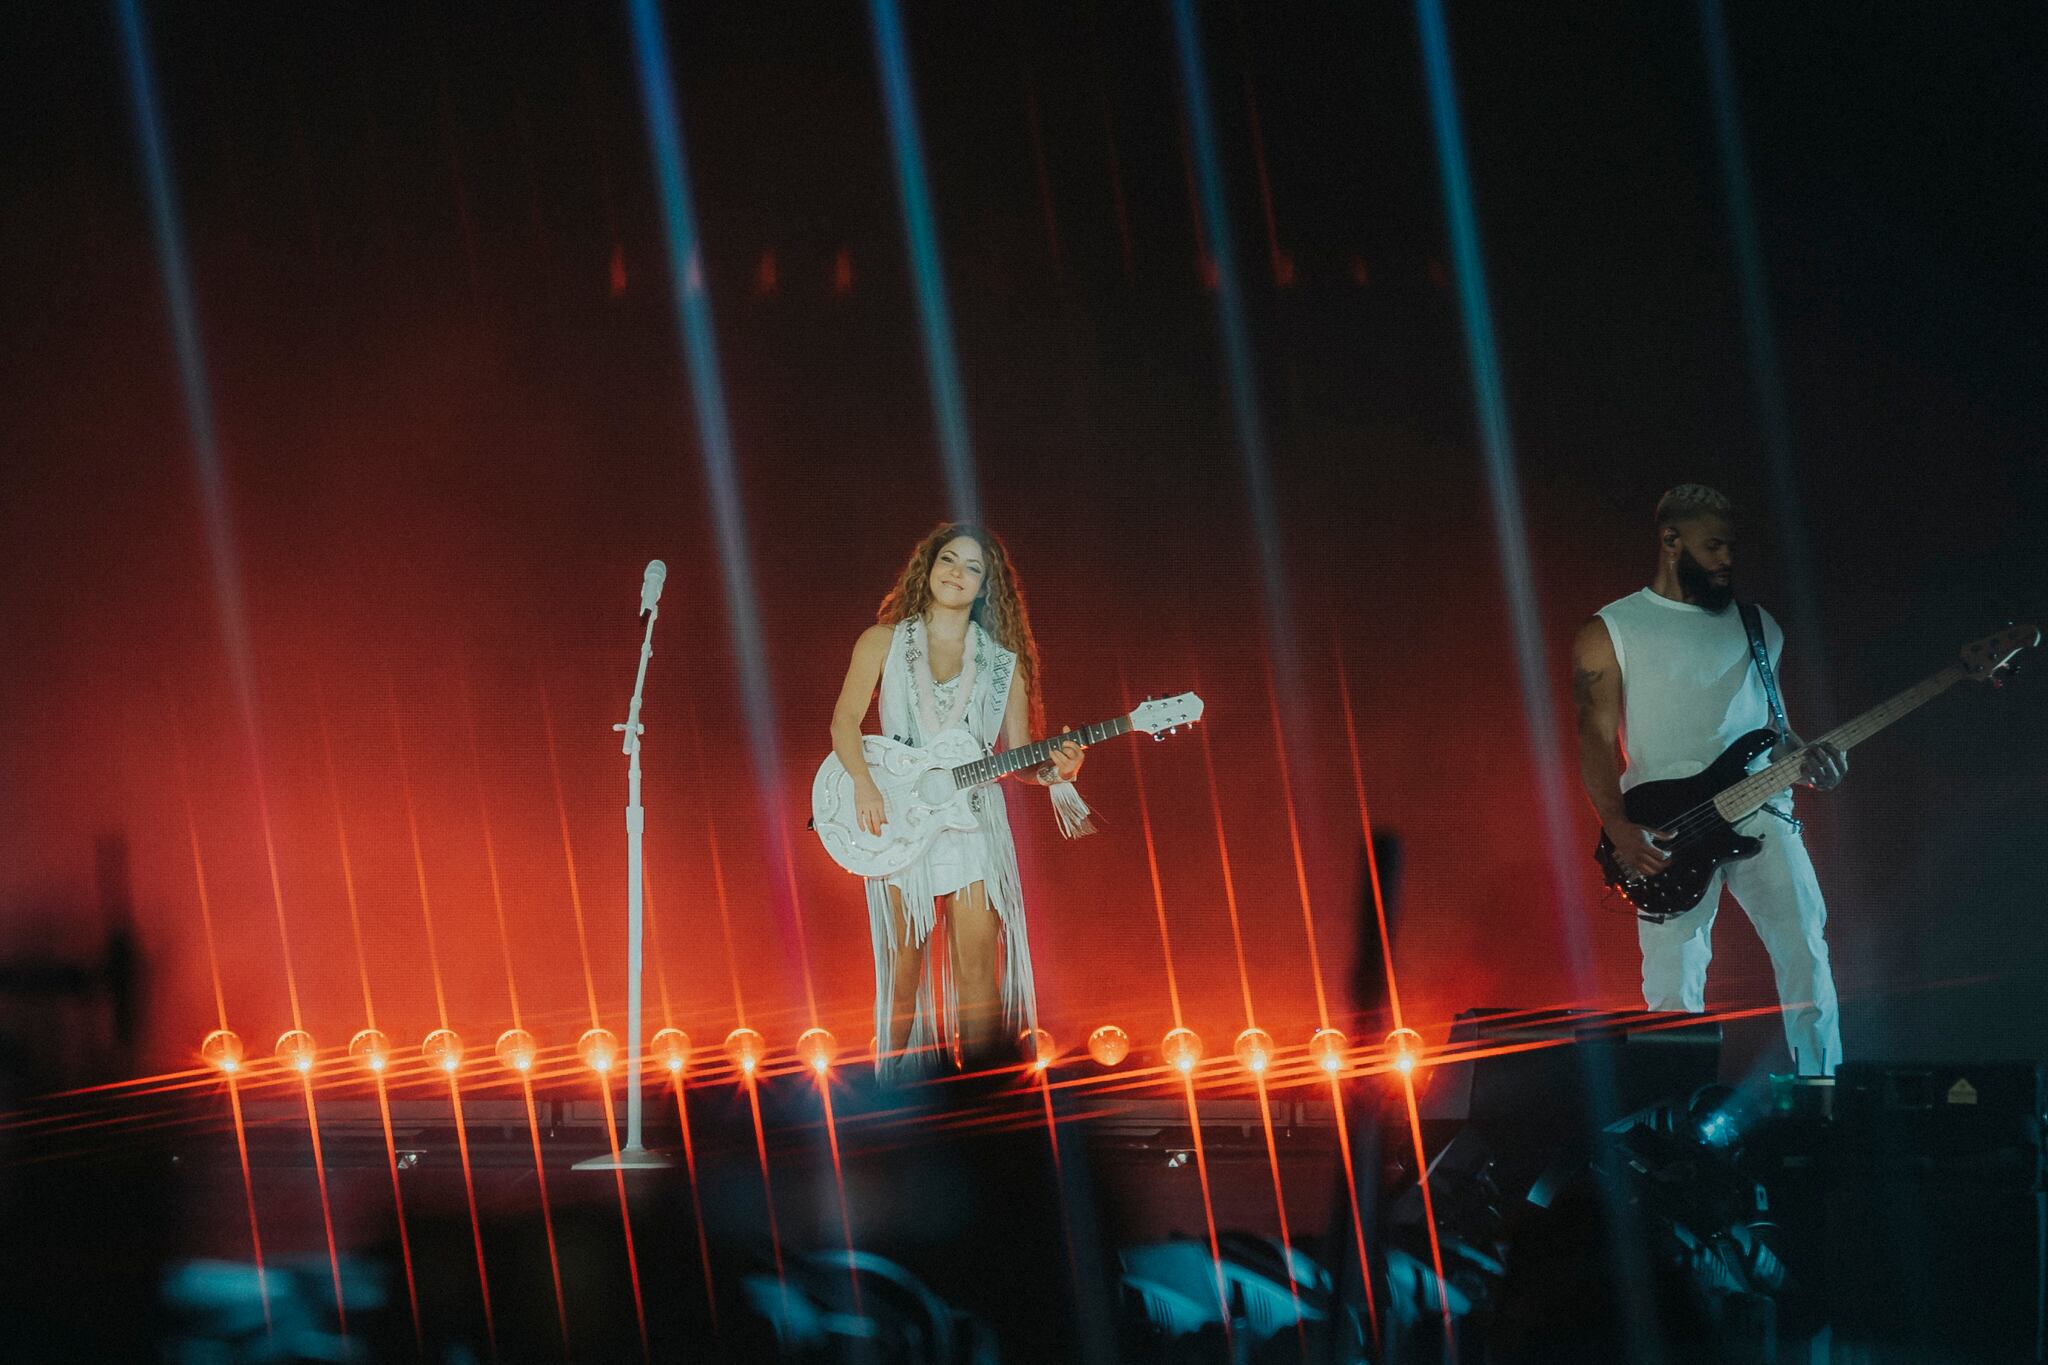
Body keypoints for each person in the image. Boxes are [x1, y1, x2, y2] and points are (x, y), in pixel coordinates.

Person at [1572, 484, 1846, 1075]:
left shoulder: (1760, 626)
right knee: (1673, 981)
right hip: (1664, 827)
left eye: (1732, 547)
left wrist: (1812, 761)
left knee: (1806, 952)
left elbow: (1776, 730)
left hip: (1762, 810)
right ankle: (1672, 1114)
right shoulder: (1611, 629)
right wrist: (1617, 828)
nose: (1727, 560)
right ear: (1671, 541)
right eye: (1714, 546)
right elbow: (1593, 737)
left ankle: (1823, 1088)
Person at [829, 523, 1084, 1081]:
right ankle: (890, 1101)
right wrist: (865, 786)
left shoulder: (1002, 664)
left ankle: (983, 1106)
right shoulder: (883, 641)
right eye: (949, 560)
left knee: (977, 978)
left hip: (973, 825)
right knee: (903, 972)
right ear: (929, 566)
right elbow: (844, 721)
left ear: (986, 587)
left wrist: (1059, 769)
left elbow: (1020, 758)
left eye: (973, 568)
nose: (957, 573)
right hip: (901, 813)